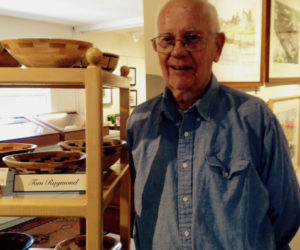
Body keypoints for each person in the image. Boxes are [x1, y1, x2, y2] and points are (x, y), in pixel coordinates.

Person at [126, 0, 300, 249]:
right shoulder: (139, 124)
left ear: (217, 47)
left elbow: (287, 216)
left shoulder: (255, 118)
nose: (177, 51)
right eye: (167, 40)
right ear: (156, 46)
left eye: (192, 38)